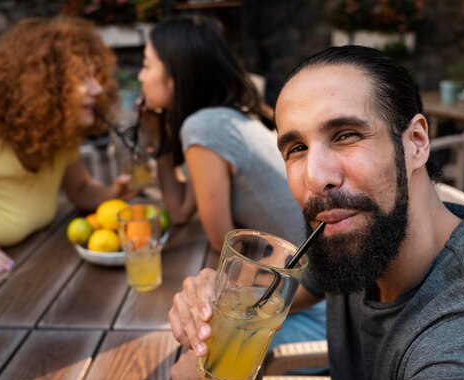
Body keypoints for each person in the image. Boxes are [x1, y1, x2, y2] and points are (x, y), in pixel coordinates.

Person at [167, 45, 464, 380]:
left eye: (346, 134)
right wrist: (214, 297)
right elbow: (278, 295)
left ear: (416, 143)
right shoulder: (360, 240)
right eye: (297, 147)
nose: (316, 178)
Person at [138, 15, 326, 350]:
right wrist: (161, 144)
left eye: (146, 65)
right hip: (298, 289)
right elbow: (181, 211)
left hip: (316, 309)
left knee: (183, 342)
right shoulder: (226, 115)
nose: (140, 76)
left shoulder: (204, 126)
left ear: (174, 75)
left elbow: (220, 240)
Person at [0, 17, 135, 296]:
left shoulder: (60, 139)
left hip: (18, 275)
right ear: (42, 87)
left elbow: (80, 189)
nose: (98, 89)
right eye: (83, 77)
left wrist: (114, 192)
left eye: (97, 76)